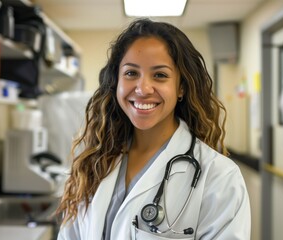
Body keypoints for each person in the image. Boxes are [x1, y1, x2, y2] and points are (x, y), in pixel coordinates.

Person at [56, 18, 251, 240]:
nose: (143, 88)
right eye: (131, 73)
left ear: (181, 88)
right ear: (116, 81)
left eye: (160, 75)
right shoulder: (93, 162)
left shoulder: (219, 176)